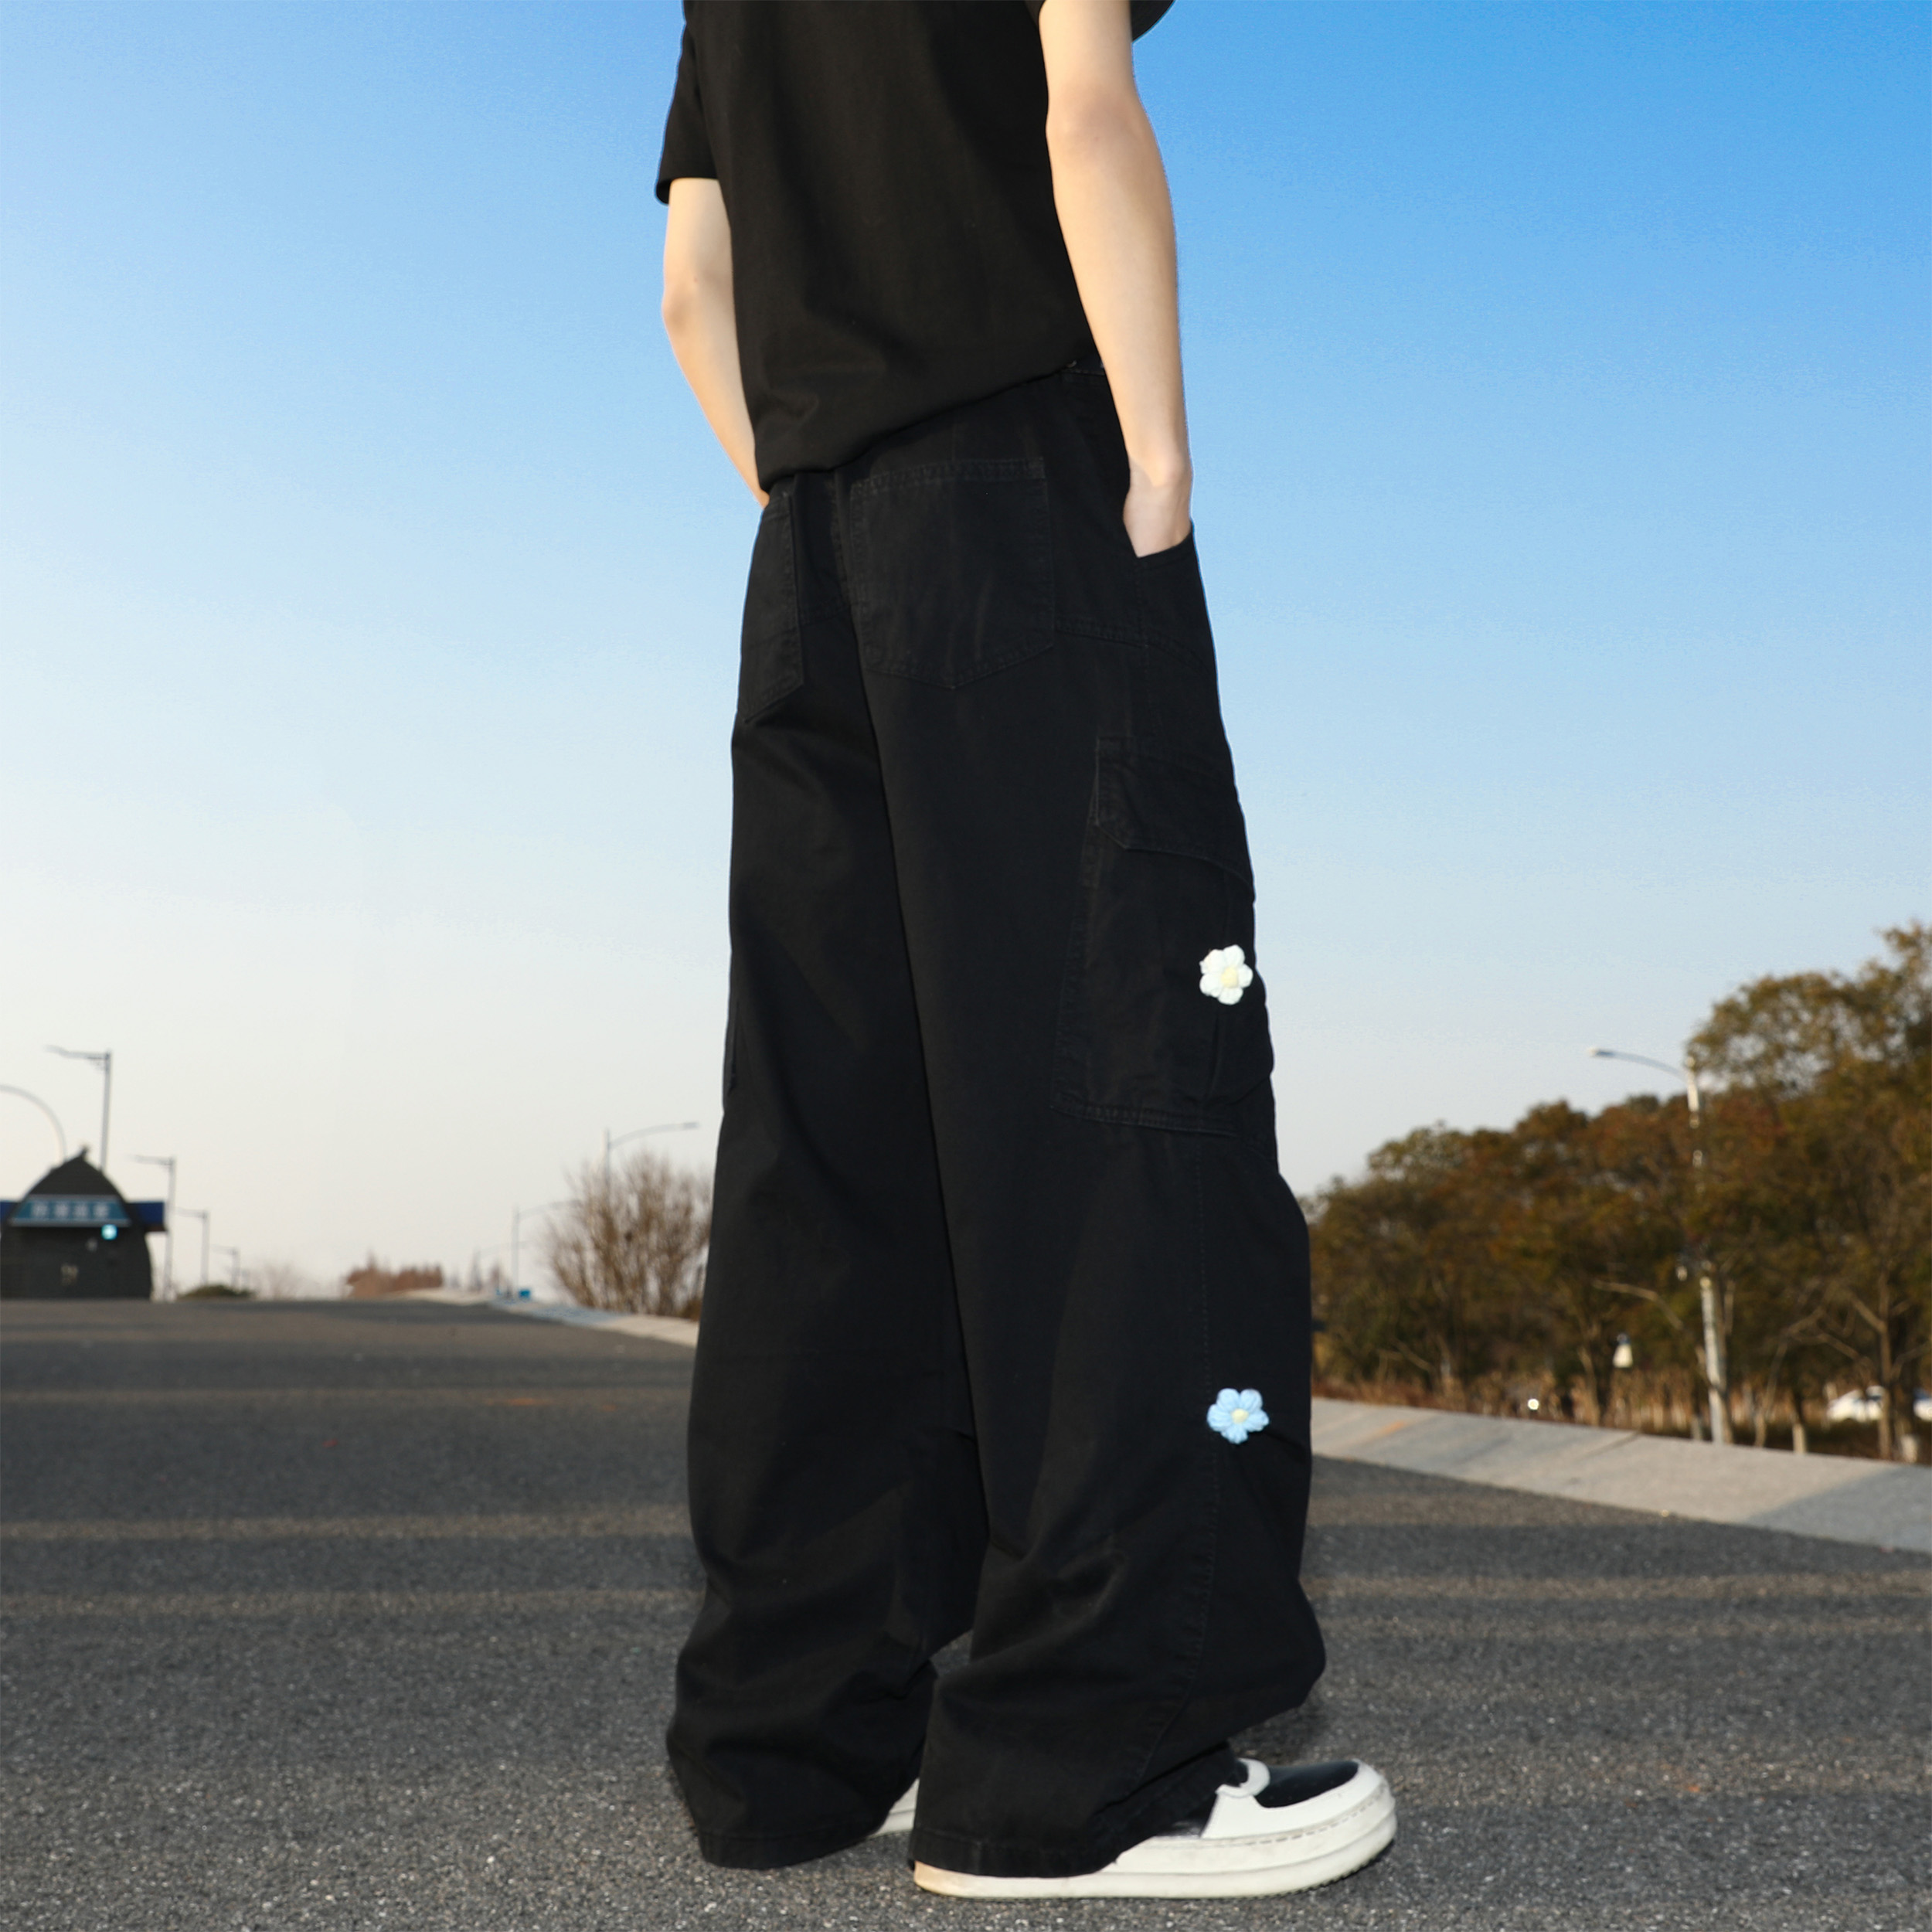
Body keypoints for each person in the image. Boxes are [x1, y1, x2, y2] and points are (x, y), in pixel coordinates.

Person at [653, 0, 1395, 1900]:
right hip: (1022, 485)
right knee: (1123, 1100)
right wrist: (1153, 455)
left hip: (813, 555)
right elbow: (1082, 114)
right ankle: (1090, 1758)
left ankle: (802, 1737)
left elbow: (689, 290)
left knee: (838, 1143)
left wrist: (806, 489)